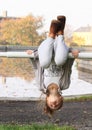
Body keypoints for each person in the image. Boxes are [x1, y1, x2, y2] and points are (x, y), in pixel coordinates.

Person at [27, 16, 79, 117]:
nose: (54, 105)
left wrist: (33, 55)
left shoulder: (41, 85)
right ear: (61, 99)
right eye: (57, 105)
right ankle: (60, 34)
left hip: (47, 50)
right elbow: (68, 69)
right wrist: (72, 54)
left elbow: (36, 68)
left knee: (45, 63)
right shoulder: (64, 85)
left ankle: (51, 34)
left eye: (51, 105)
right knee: (59, 61)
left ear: (46, 99)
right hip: (60, 52)